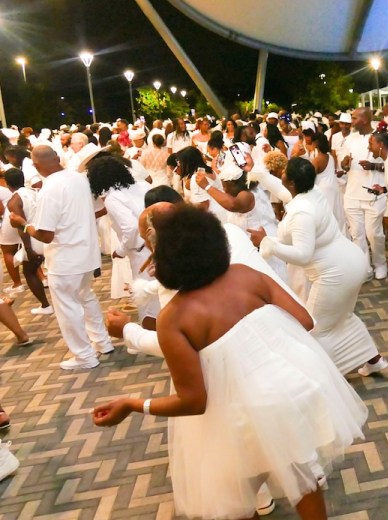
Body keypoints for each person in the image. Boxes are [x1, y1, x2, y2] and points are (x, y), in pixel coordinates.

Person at [92, 205, 367, 520]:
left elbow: (194, 401)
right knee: (303, 474)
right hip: (296, 388)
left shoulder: (175, 317)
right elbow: (305, 320)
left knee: (233, 496)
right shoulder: (246, 275)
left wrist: (131, 403)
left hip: (246, 410)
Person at [249, 158, 388, 377]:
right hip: (351, 262)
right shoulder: (310, 193)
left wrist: (268, 243)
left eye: (284, 172)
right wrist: (261, 175)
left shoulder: (302, 213)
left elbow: (303, 256)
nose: (281, 174)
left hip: (336, 273)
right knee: (344, 317)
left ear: (293, 183)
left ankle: (324, 379)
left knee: (314, 328)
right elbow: (284, 193)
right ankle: (375, 361)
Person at [9, 146, 114, 370]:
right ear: (58, 158)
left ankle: (84, 356)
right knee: (86, 297)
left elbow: (46, 234)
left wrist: (23, 224)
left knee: (68, 309)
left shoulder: (50, 189)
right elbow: (96, 210)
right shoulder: (80, 178)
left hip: (66, 258)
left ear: (36, 167)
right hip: (87, 252)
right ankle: (102, 342)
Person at [86, 156, 159, 327]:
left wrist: (120, 250)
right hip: (160, 243)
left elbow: (131, 228)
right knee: (162, 291)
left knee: (147, 299)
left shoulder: (113, 198)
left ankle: (151, 337)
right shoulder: (143, 185)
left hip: (141, 250)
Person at [340, 108, 387, 280]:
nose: (351, 121)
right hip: (352, 193)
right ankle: (364, 268)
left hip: (374, 194)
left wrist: (373, 166)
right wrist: (344, 165)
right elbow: (343, 165)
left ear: (365, 120)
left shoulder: (381, 137)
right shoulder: (349, 139)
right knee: (357, 235)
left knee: (374, 234)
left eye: (354, 118)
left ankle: (380, 263)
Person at [4, 168, 51, 314]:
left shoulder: (14, 201)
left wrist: (29, 249)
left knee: (29, 272)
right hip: (47, 232)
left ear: (7, 183)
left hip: (33, 237)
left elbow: (21, 226)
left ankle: (45, 305)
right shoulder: (34, 191)